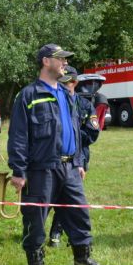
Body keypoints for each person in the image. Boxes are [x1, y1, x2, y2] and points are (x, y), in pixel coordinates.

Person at [8, 43, 114, 265]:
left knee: (79, 214)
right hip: (40, 168)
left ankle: (82, 259)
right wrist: (19, 170)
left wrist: (78, 160)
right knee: (35, 217)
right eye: (61, 58)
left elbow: (75, 130)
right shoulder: (28, 95)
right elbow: (18, 135)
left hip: (69, 168)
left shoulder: (67, 95)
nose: (65, 62)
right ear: (46, 61)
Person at [47, 65, 100, 248]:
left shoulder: (84, 105)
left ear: (75, 83)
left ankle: (59, 232)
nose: (63, 86)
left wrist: (74, 135)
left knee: (70, 201)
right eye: (60, 82)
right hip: (54, 159)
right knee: (49, 197)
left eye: (67, 83)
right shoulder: (53, 102)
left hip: (78, 158)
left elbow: (92, 133)